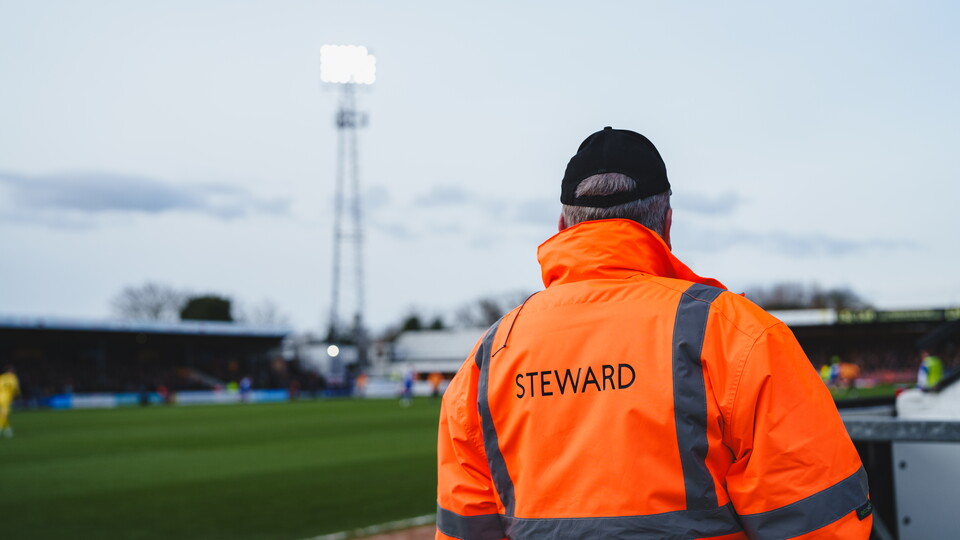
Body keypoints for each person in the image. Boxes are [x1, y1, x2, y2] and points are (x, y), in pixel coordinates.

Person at [436, 127, 872, 540]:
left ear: (563, 226)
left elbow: (463, 529)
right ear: (665, 224)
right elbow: (819, 524)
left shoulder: (490, 355)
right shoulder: (737, 334)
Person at [0, 365, 21, 438]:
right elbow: (16, 389)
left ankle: (7, 429)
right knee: (5, 414)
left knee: (2, 414)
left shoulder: (2, 377)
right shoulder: (13, 378)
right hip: (6, 398)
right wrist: (17, 395)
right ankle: (3, 428)